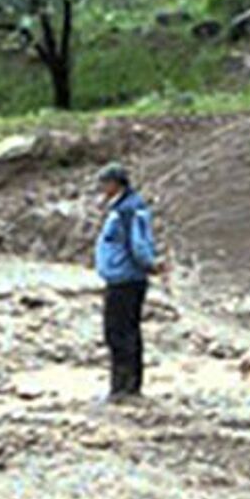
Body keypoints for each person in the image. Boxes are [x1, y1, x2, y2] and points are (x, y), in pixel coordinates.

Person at [94, 162, 161, 400]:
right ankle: (125, 386)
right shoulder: (124, 207)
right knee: (124, 331)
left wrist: (149, 265)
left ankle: (125, 388)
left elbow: (138, 245)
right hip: (123, 278)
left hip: (126, 280)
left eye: (104, 183)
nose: (102, 188)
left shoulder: (128, 210)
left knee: (119, 333)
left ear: (115, 184)